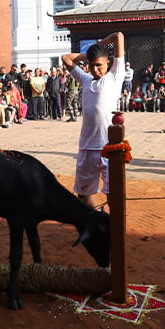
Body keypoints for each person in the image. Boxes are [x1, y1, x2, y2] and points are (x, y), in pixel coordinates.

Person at [61, 32, 126, 208]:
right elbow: (66, 58)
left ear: (108, 64)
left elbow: (119, 36)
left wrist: (101, 43)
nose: (95, 69)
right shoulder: (85, 79)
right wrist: (88, 54)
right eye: (91, 65)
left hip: (109, 148)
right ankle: (96, 222)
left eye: (99, 65)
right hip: (86, 147)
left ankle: (113, 230)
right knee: (83, 195)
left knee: (113, 195)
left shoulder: (114, 77)